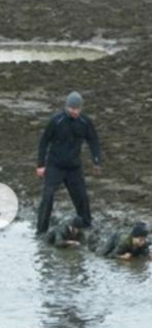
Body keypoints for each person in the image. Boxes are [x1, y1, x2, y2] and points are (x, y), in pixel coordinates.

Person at [36, 91, 101, 234]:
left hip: (73, 167)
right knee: (48, 196)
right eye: (72, 109)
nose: (75, 112)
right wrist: (40, 165)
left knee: (81, 196)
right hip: (55, 166)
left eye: (78, 109)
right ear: (67, 107)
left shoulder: (84, 122)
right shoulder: (56, 120)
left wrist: (96, 160)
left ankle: (86, 223)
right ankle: (41, 229)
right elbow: (44, 141)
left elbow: (93, 140)